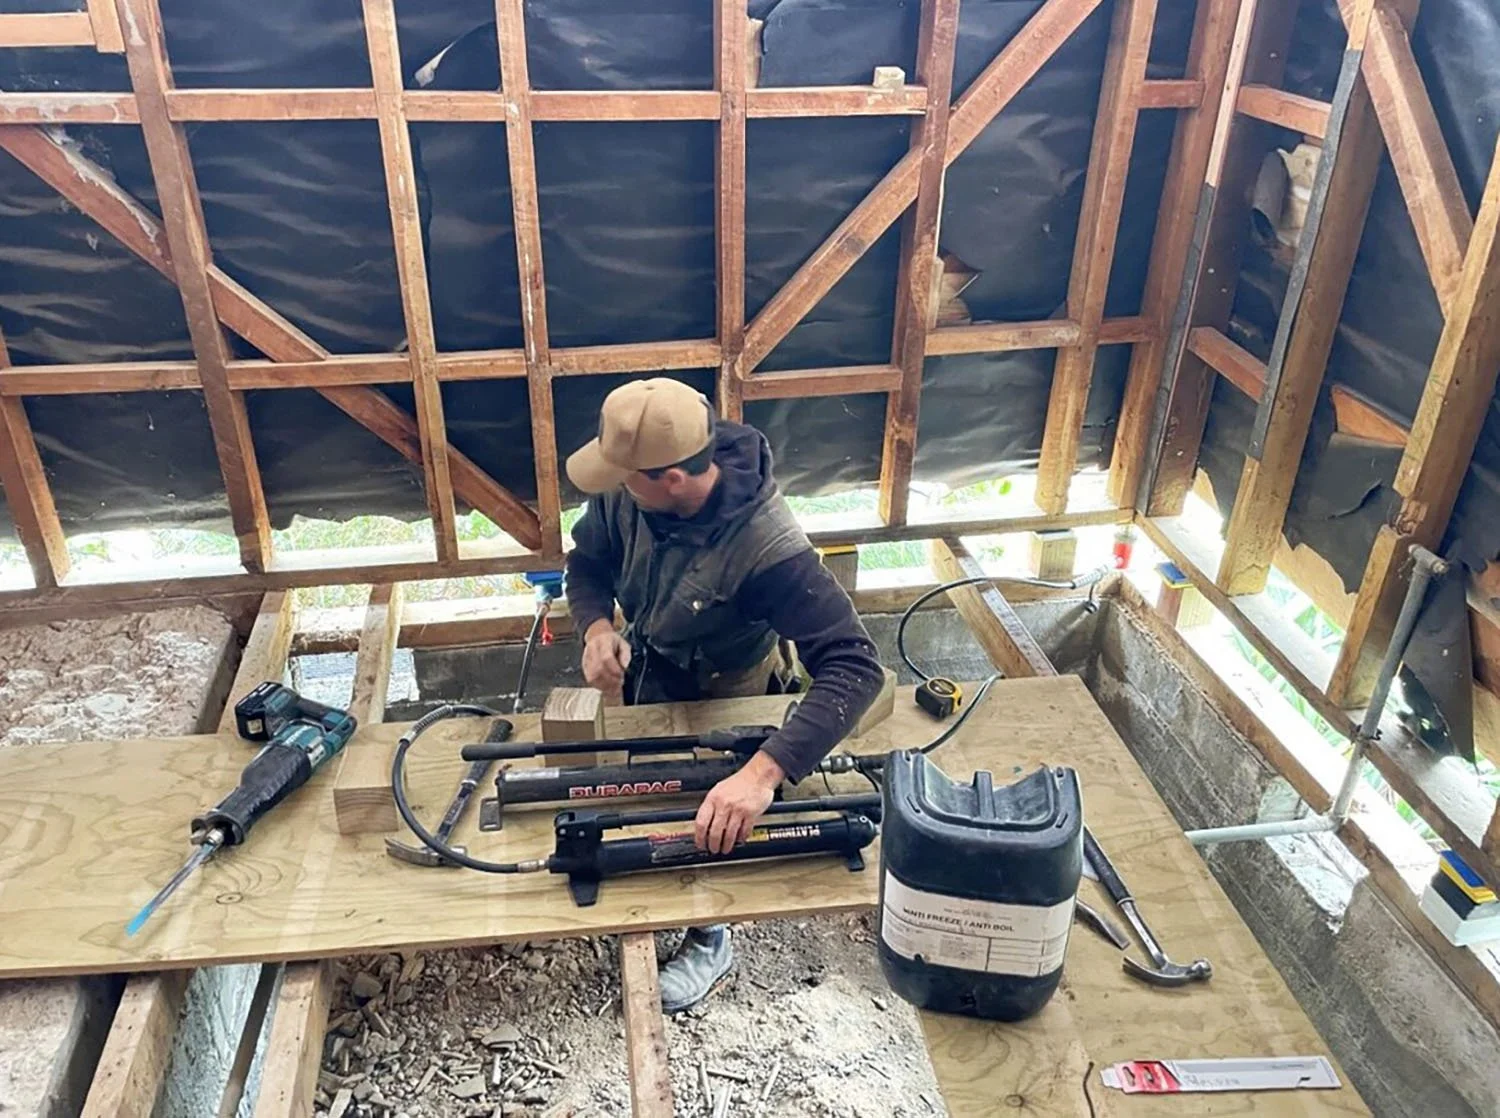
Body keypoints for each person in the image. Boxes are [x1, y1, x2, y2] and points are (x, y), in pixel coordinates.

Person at [563, 378, 886, 1012]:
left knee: (713, 816)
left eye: (626, 477)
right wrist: (598, 627)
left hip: (731, 687)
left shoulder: (768, 548)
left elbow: (856, 666)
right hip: (651, 667)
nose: (614, 485)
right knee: (649, 792)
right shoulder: (628, 489)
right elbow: (588, 562)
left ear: (673, 479)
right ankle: (665, 898)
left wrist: (764, 773)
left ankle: (711, 934)